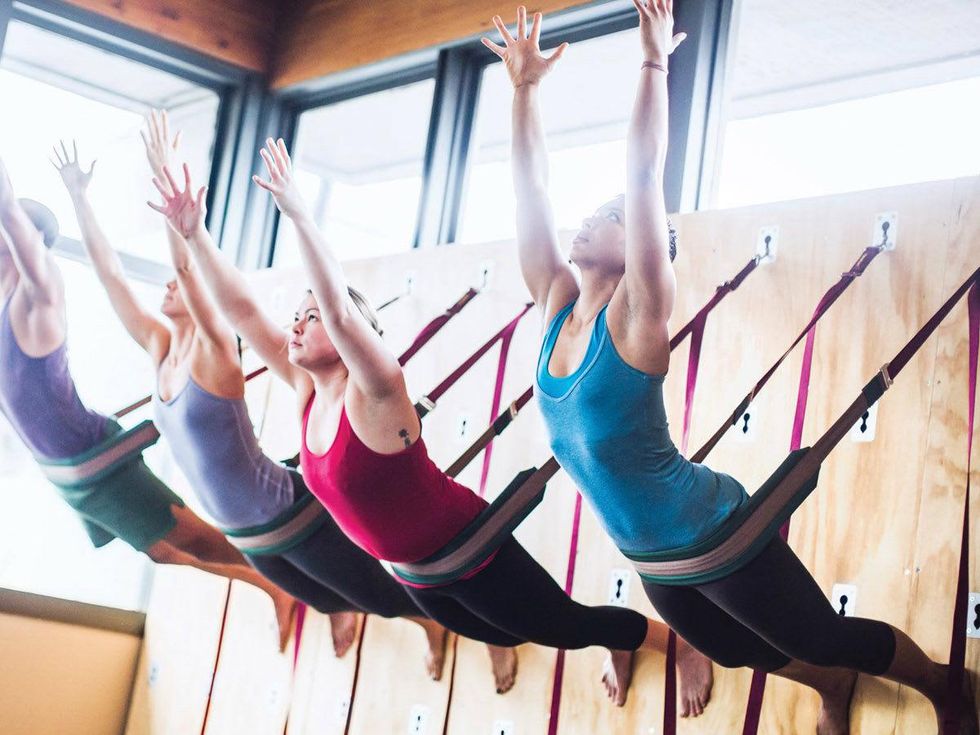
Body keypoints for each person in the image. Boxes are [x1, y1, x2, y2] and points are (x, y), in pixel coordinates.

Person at [494, 2, 978, 732]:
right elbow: (531, 195)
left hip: (715, 530)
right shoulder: (557, 306)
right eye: (598, 210)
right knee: (727, 645)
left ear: (645, 250)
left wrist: (653, 63)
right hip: (650, 553)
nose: (594, 216)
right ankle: (829, 686)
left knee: (819, 633)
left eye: (615, 215)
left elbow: (645, 171)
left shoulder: (637, 315)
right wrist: (524, 92)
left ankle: (943, 682)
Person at [158, 132, 716, 709]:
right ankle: (614, 637)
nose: (294, 327)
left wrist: (299, 214)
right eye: (296, 318)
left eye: (311, 317)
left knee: (561, 626)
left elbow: (344, 315)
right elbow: (243, 310)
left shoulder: (373, 392)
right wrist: (194, 233)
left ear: (353, 335)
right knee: (503, 633)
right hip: (411, 570)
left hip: (466, 547)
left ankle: (665, 639)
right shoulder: (305, 390)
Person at [0, 149, 296, 651]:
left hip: (90, 460)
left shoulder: (37, 301)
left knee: (191, 538)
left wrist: (38, 203)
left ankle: (285, 585)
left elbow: (16, 221)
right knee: (170, 548)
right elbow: (112, 277)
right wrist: (78, 195)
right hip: (65, 472)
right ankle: (279, 582)